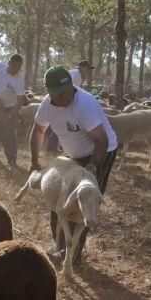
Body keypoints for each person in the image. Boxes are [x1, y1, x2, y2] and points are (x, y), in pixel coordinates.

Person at [30, 66, 118, 263]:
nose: (65, 97)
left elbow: (101, 141)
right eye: (59, 95)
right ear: (49, 93)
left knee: (86, 200)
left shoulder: (85, 105)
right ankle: (61, 248)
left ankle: (73, 256)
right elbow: (38, 131)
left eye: (68, 92)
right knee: (57, 201)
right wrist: (34, 159)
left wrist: (93, 167)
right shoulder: (46, 106)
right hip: (73, 155)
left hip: (100, 152)